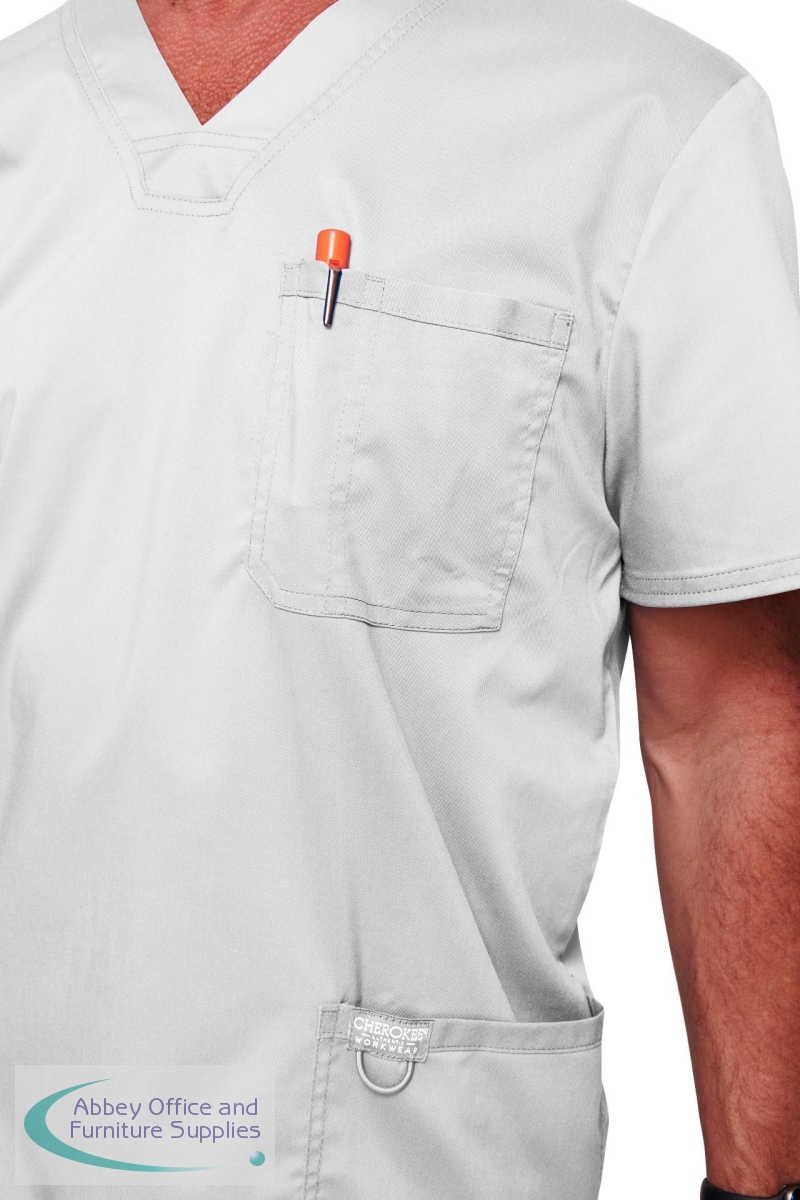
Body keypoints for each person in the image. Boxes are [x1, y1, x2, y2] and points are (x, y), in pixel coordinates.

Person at [1, 0, 798, 1196]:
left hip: (401, 1153)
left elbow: (730, 713)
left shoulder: (647, 124)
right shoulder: (21, 120)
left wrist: (755, 1187)